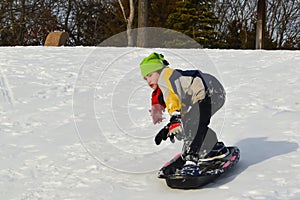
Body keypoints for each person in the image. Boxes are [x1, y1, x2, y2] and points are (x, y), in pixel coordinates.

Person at [139, 52, 229, 176]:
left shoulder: (166, 75)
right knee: (189, 123)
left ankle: (191, 160)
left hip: (211, 91)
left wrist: (175, 118)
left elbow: (173, 98)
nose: (148, 80)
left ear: (159, 70)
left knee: (197, 124)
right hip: (208, 93)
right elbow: (181, 103)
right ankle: (213, 147)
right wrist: (172, 125)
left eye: (150, 75)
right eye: (145, 78)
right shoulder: (165, 85)